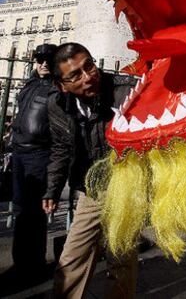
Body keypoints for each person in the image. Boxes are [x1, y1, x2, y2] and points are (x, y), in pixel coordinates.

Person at [42, 42, 139, 298]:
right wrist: (52, 188)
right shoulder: (57, 105)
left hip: (125, 186)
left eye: (89, 66)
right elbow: (61, 147)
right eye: (75, 75)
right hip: (92, 189)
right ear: (61, 84)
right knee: (72, 257)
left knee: (121, 259)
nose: (88, 77)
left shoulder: (125, 90)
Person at [11, 43, 57, 281]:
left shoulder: (56, 88)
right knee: (20, 209)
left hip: (39, 154)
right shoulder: (29, 84)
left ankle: (35, 263)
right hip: (19, 152)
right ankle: (21, 262)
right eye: (40, 59)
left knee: (34, 211)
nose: (44, 64)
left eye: (48, 59)